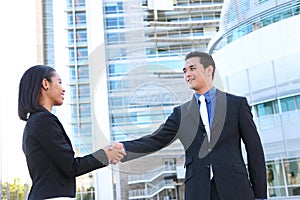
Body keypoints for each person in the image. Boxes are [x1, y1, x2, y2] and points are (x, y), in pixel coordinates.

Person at [118, 51, 267, 200]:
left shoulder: (236, 105)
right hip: (197, 191)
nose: (187, 74)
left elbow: (255, 151)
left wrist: (260, 195)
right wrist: (123, 149)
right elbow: (154, 140)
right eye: (184, 71)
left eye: (192, 68)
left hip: (236, 189)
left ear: (209, 70)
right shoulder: (180, 114)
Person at [18, 65, 125, 200]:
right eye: (59, 82)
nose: (63, 89)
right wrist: (105, 155)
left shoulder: (35, 122)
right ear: (45, 84)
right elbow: (71, 167)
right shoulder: (43, 120)